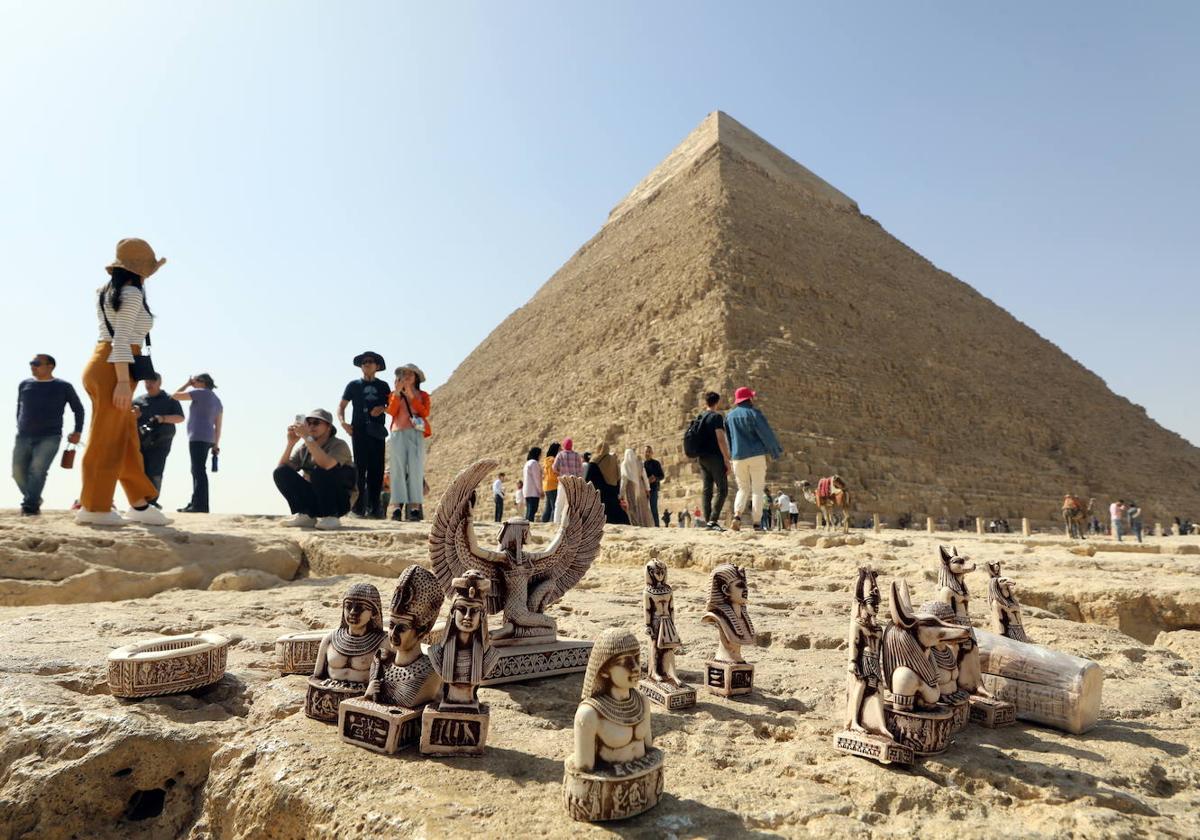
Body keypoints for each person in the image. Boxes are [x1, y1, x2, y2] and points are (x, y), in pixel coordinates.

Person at [78, 238, 169, 527]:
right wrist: (120, 381)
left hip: (106, 362)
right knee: (107, 439)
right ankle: (94, 507)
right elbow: (120, 339)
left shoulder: (108, 292)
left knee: (126, 436)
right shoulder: (130, 294)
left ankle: (140, 504)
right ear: (140, 270)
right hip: (114, 366)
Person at [13, 353, 84, 516]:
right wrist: (19, 424)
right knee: (17, 472)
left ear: (50, 366)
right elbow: (19, 407)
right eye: (31, 363)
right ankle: (34, 498)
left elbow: (78, 409)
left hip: (50, 436)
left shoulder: (63, 386)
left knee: (37, 470)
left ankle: (30, 507)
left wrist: (77, 430)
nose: (33, 366)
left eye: (37, 363)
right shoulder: (24, 384)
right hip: (23, 435)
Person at [274, 408, 355, 530]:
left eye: (316, 422)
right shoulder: (304, 447)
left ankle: (331, 516)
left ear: (328, 427)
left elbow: (327, 465)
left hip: (340, 501)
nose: (311, 426)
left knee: (320, 472)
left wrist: (306, 436)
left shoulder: (339, 444)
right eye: (308, 423)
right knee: (280, 472)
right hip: (316, 498)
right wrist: (291, 443)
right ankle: (306, 515)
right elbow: (283, 468)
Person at [339, 352, 391, 519]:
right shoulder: (353, 385)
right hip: (359, 431)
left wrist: (382, 409)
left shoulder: (384, 386)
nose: (367, 364)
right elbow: (341, 406)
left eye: (370, 362)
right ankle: (358, 507)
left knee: (377, 469)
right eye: (364, 362)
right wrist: (343, 423)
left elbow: (393, 407)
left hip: (377, 431)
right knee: (360, 469)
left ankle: (375, 507)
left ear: (377, 366)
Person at [725, 387, 783, 531]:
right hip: (756, 455)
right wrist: (775, 450)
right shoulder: (753, 413)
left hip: (738, 457)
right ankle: (756, 523)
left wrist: (732, 456)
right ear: (749, 399)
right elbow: (766, 434)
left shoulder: (729, 416)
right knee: (757, 490)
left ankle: (737, 516)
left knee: (742, 488)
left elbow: (730, 438)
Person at [385, 363, 430, 522]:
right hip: (398, 433)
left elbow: (424, 412)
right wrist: (398, 393)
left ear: (416, 377)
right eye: (404, 373)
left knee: (415, 470)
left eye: (411, 373)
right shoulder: (394, 394)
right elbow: (391, 411)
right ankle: (396, 507)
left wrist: (411, 395)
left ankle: (415, 508)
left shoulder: (423, 395)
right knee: (397, 470)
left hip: (415, 432)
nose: (407, 376)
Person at [173, 373, 222, 513]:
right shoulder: (217, 400)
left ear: (204, 382)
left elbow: (175, 396)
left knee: (198, 470)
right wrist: (216, 444)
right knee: (198, 470)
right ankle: (195, 502)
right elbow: (218, 426)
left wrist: (187, 384)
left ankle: (200, 505)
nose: (194, 383)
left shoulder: (200, 393)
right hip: (209, 438)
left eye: (196, 381)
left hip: (197, 437)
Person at [133, 373, 184, 499]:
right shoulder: (138, 401)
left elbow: (180, 418)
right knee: (140, 471)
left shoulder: (170, 399)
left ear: (159, 383)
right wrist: (134, 415)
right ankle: (140, 501)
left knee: (155, 470)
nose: (148, 385)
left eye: (151, 382)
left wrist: (162, 418)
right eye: (146, 382)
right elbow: (127, 419)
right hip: (141, 441)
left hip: (161, 442)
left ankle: (152, 500)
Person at [693, 391, 732, 531]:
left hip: (701, 458)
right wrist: (727, 460)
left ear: (706, 402)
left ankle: (709, 521)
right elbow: (721, 440)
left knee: (707, 490)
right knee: (722, 489)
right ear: (717, 402)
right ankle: (713, 520)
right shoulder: (716, 417)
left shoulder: (700, 417)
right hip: (715, 457)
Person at [585, 439, 629, 525]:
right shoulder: (613, 460)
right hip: (613, 493)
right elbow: (618, 477)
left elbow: (588, 479)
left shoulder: (595, 461)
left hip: (600, 495)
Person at [552, 438, 584, 524]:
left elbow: (554, 468)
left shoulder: (560, 455)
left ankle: (557, 522)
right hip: (573, 482)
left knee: (559, 503)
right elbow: (580, 470)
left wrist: (560, 472)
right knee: (570, 503)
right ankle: (567, 522)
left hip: (563, 481)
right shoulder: (577, 455)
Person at [620, 447, 653, 527]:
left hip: (630, 487)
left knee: (632, 506)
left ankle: (636, 523)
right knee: (642, 506)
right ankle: (645, 524)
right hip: (640, 486)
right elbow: (644, 477)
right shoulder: (639, 462)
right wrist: (648, 489)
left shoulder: (625, 464)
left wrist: (621, 493)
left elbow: (623, 480)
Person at [643, 445, 664, 527]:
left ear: (652, 453)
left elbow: (662, 476)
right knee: (645, 509)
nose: (647, 453)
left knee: (653, 508)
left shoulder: (656, 463)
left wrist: (655, 478)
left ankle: (656, 526)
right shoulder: (642, 464)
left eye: (649, 452)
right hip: (644, 490)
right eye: (646, 452)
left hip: (654, 489)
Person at [541, 442, 561, 523]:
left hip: (546, 486)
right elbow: (552, 474)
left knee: (548, 507)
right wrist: (559, 477)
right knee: (554, 507)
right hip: (553, 485)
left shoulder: (546, 460)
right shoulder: (553, 460)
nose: (561, 451)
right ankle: (552, 522)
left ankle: (544, 522)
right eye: (559, 449)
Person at [522, 447, 544, 521]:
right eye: (540, 454)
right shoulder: (534, 463)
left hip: (527, 491)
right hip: (533, 492)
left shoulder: (527, 463)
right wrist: (540, 491)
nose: (541, 456)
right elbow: (537, 478)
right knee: (532, 511)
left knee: (529, 511)